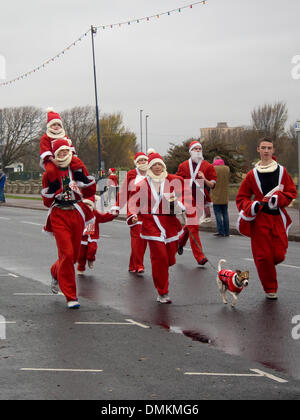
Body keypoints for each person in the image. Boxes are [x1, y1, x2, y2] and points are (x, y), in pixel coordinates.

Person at [128, 152, 194, 303]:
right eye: (154, 165)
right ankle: (162, 292)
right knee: (160, 258)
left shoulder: (174, 181)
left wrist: (178, 205)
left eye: (159, 164)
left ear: (163, 166)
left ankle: (167, 263)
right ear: (150, 167)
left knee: (169, 257)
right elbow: (133, 204)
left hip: (169, 223)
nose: (157, 167)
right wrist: (133, 216)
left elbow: (184, 198)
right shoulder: (141, 185)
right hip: (151, 223)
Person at [236, 137, 297, 300]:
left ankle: (270, 266)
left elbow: (291, 192)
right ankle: (270, 288)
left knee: (278, 255)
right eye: (263, 147)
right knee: (263, 257)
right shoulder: (251, 175)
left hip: (277, 218)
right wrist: (253, 206)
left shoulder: (282, 171)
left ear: (273, 150)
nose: (266, 151)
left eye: (269, 148)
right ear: (258, 150)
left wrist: (280, 200)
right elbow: (241, 198)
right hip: (260, 220)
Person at [41, 138, 96, 309]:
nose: (64, 154)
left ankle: (55, 271)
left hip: (77, 212)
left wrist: (83, 175)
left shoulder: (76, 169)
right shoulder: (48, 174)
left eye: (66, 151)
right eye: (60, 152)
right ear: (55, 155)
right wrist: (55, 191)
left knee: (73, 255)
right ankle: (71, 296)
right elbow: (45, 201)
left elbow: (90, 190)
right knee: (66, 253)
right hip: (59, 214)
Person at [176, 140, 217, 265]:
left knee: (192, 224)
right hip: (187, 196)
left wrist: (203, 178)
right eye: (195, 149)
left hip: (200, 196)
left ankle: (180, 241)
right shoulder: (183, 166)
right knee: (194, 226)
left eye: (200, 149)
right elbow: (177, 182)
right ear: (190, 151)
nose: (198, 151)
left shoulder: (208, 166)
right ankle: (199, 256)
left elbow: (212, 185)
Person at [111, 152, 148, 273]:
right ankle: (139, 265)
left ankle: (132, 265)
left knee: (143, 240)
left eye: (144, 160)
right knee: (137, 238)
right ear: (136, 163)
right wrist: (117, 206)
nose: (143, 163)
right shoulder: (131, 174)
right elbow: (123, 193)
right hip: (134, 211)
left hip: (148, 211)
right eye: (140, 161)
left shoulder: (151, 173)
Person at [77, 196, 116, 275]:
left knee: (92, 249)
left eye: (90, 205)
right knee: (81, 255)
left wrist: (113, 215)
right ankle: (81, 268)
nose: (88, 207)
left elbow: (103, 217)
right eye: (86, 205)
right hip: (83, 237)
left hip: (92, 236)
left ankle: (91, 259)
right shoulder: (79, 214)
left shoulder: (95, 214)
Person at [40, 107, 81, 183]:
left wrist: (72, 156)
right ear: (49, 126)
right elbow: (45, 150)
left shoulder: (64, 136)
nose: (56, 126)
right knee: (51, 170)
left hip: (66, 158)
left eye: (58, 124)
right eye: (54, 124)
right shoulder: (45, 137)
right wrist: (53, 159)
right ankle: (54, 185)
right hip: (52, 159)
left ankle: (81, 178)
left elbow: (70, 147)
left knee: (78, 163)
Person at [211, 156, 230, 237]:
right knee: (225, 213)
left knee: (218, 213)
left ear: (215, 161)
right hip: (225, 195)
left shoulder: (213, 169)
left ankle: (220, 231)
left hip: (216, 194)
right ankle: (227, 232)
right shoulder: (227, 169)